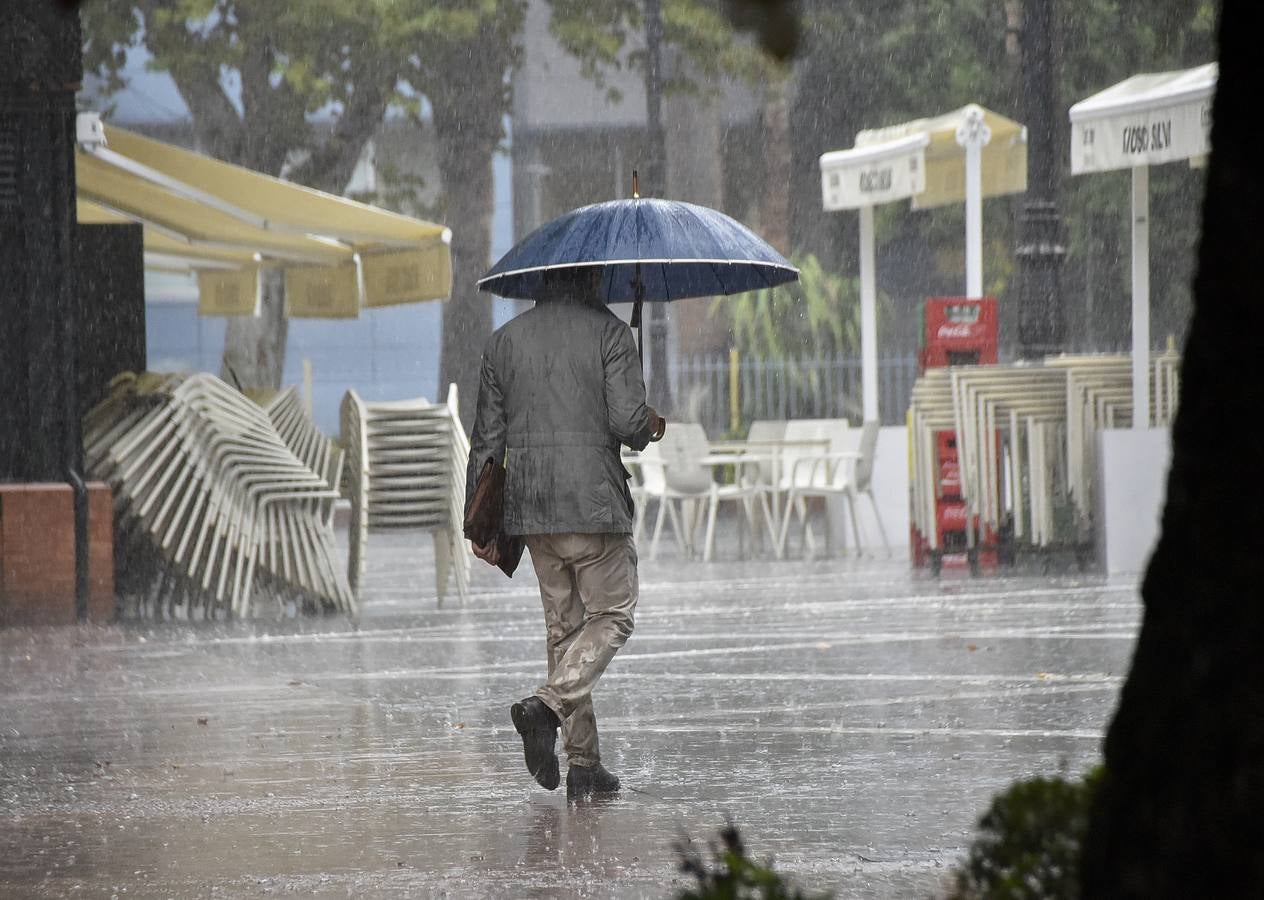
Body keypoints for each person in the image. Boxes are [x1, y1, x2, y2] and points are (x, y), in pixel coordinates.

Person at [465, 267, 666, 799]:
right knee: (613, 616)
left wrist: (476, 517)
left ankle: (583, 764)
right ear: (593, 280)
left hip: (532, 509)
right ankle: (548, 708)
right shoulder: (610, 334)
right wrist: (651, 422)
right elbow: (627, 422)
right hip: (592, 503)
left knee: (564, 630)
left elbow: (487, 438)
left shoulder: (504, 343)